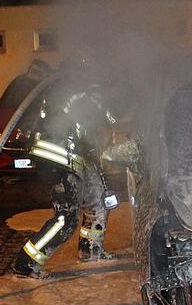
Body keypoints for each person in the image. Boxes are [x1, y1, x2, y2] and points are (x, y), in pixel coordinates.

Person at [11, 62, 119, 278]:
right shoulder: (83, 94)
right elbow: (111, 118)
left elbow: (89, 130)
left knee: (98, 201)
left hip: (75, 156)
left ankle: (90, 251)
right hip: (57, 158)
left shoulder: (79, 92)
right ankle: (25, 264)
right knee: (66, 220)